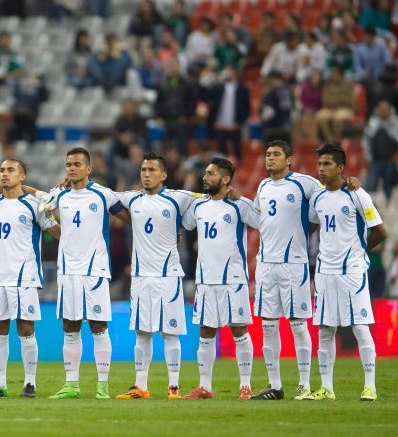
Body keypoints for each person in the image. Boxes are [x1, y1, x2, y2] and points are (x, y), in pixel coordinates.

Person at [43, 147, 131, 400]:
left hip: (95, 269)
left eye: (77, 164)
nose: (71, 168)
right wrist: (57, 230)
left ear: (89, 168)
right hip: (68, 270)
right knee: (70, 326)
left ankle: (102, 386)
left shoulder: (103, 194)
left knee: (98, 326)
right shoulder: (58, 194)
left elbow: (129, 217)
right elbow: (40, 208)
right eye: (68, 164)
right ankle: (71, 385)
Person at [0, 158, 60, 398]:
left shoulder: (34, 205)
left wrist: (57, 209)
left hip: (25, 277)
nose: (4, 174)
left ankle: (29, 383)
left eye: (10, 170)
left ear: (22, 176)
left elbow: (56, 231)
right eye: (1, 170)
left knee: (25, 328)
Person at [114, 152, 199, 400]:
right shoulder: (133, 198)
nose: (146, 174)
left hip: (168, 277)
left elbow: (206, 200)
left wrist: (178, 229)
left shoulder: (177, 199)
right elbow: (108, 200)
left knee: (170, 333)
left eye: (152, 170)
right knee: (142, 332)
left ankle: (174, 387)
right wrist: (132, 222)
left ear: (163, 175)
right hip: (141, 277)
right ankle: (141, 386)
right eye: (143, 170)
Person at [308, 143, 387, 401]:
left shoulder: (356, 194)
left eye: (327, 164)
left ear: (340, 167)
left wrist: (360, 252)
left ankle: (370, 386)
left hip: (352, 272)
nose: (321, 169)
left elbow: (379, 231)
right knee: (325, 330)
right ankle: (327, 389)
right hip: (325, 273)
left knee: (360, 327)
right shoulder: (318, 197)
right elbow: (310, 227)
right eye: (319, 164)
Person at [182, 157, 259, 400]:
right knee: (206, 331)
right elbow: (184, 223)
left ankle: (245, 385)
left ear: (225, 179)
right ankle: (205, 387)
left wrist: (244, 199)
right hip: (205, 280)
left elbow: (262, 220)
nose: (205, 177)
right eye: (205, 173)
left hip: (232, 279)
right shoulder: (199, 206)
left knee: (238, 330)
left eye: (211, 174)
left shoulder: (239, 205)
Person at [250, 140, 321, 401]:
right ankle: (275, 386)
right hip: (266, 265)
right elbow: (260, 218)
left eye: (276, 154)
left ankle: (304, 385)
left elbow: (328, 201)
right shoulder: (263, 186)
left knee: (298, 325)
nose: (270, 158)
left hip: (293, 265)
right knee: (268, 327)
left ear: (289, 159)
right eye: (267, 154)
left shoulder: (304, 183)